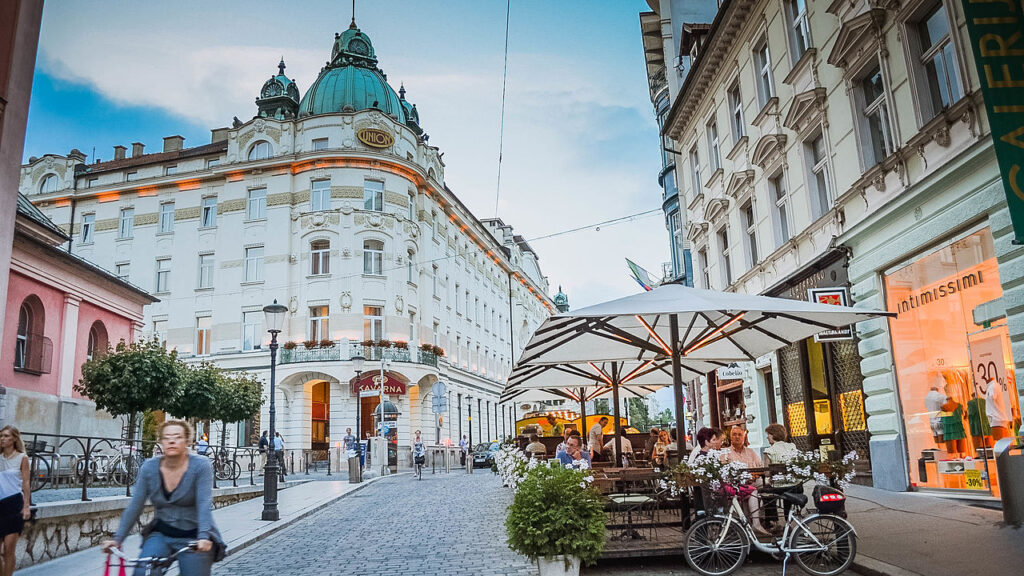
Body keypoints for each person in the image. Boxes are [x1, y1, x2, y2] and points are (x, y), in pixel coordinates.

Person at [102, 420, 222, 576]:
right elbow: (135, 505)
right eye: (167, 437)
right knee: (143, 571)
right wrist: (117, 539)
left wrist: (204, 537)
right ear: (161, 442)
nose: (171, 440)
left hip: (194, 536)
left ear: (187, 441)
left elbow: (204, 503)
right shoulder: (149, 467)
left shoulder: (200, 465)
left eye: (177, 436)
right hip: (162, 534)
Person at [0, 426, 31, 576]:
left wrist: (26, 506)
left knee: (8, 550)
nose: (2, 439)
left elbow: (26, 483)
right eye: (1, 436)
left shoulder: (22, 458)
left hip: (14, 505)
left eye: (6, 436)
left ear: (14, 439)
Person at [762, 423, 801, 531]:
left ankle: (773, 521)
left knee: (765, 493)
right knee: (788, 492)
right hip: (795, 485)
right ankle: (789, 521)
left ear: (773, 435)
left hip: (778, 486)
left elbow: (767, 473)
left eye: (768, 434)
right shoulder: (792, 446)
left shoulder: (769, 451)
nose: (767, 437)